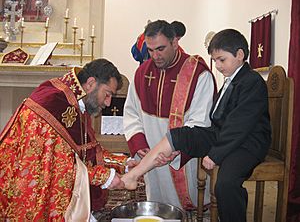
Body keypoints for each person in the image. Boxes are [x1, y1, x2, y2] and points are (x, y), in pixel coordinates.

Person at [122, 29, 272, 222]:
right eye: (215, 60)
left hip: (247, 144)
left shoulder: (252, 81)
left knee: (226, 184)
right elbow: (219, 121)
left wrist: (215, 154)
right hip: (224, 136)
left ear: (240, 55)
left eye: (221, 60)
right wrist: (192, 142)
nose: (217, 66)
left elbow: (239, 125)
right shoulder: (232, 79)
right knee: (180, 135)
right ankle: (135, 174)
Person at [0, 59, 135, 221]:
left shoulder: (75, 102)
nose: (108, 103)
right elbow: (61, 170)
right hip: (29, 190)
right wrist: (105, 177)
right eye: (107, 94)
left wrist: (123, 164)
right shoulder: (53, 104)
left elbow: (87, 152)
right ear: (91, 83)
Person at [123, 20, 215, 211]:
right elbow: (131, 113)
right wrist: (140, 145)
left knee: (189, 206)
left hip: (181, 156)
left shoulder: (197, 73)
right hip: (150, 152)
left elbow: (200, 121)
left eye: (160, 49)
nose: (155, 56)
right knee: (157, 204)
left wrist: (175, 151)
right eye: (150, 50)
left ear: (175, 42)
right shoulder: (142, 73)